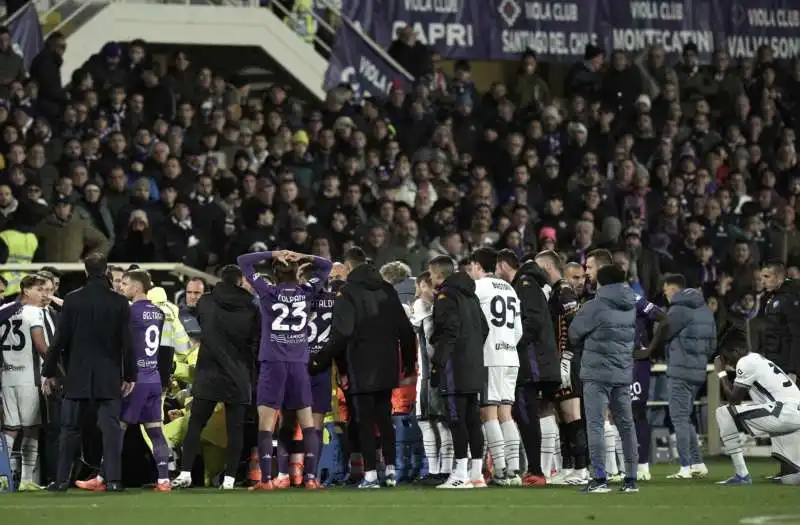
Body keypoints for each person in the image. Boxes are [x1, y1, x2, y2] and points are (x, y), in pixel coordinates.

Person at [310, 247, 416, 488]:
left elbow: (342, 333)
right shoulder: (387, 289)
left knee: (365, 421)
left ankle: (370, 475)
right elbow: (405, 330)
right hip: (388, 363)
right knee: (384, 416)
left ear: (348, 268)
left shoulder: (348, 293)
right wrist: (408, 362)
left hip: (361, 363)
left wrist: (320, 360)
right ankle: (390, 471)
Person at [238, 249, 332, 490]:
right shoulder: (306, 291)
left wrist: (274, 252)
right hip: (299, 363)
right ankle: (311, 479)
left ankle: (267, 480)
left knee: (267, 423)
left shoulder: (268, 292)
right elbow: (326, 266)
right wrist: (302, 255)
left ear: (274, 276)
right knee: (307, 422)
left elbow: (243, 261)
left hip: (273, 363)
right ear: (296, 275)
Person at [41, 253, 134, 492]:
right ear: (106, 272)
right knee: (111, 430)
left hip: (77, 375)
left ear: (85, 271)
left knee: (69, 429)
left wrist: (48, 371)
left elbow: (59, 341)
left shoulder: (72, 300)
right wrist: (130, 375)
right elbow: (127, 343)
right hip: (109, 376)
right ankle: (113, 481)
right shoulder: (119, 302)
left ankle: (61, 481)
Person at [77, 270, 175, 492]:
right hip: (153, 379)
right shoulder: (159, 312)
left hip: (136, 380)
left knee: (117, 430)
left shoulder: (130, 311)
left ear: (138, 287)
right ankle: (163, 480)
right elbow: (164, 349)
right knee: (155, 431)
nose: (121, 286)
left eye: (125, 283)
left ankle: (102, 478)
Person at [171, 265, 260, 490]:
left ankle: (185, 473)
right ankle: (229, 479)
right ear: (240, 282)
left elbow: (202, 322)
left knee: (195, 425)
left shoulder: (206, 302)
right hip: (238, 375)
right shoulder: (251, 307)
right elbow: (254, 344)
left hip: (209, 372)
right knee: (235, 430)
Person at [568, 264, 639, 493]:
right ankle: (631, 479)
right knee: (627, 425)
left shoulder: (594, 306)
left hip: (597, 374)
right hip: (622, 372)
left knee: (596, 425)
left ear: (602, 282)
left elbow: (574, 333)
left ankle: (599, 479)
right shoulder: (630, 305)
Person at [495, 249, 560, 487]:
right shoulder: (534, 282)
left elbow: (531, 321)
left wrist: (510, 343)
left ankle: (536, 470)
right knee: (537, 413)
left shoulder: (524, 283)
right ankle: (542, 468)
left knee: (526, 414)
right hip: (541, 360)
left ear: (502, 265)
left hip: (532, 363)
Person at [427, 255, 488, 488]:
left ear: (439, 273)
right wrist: (471, 350)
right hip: (474, 364)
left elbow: (448, 331)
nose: (431, 278)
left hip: (454, 366)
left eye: (431, 274)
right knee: (473, 419)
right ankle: (476, 474)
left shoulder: (446, 295)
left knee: (456, 419)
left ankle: (461, 474)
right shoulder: (470, 295)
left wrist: (438, 363)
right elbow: (484, 329)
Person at [466, 248, 523, 486]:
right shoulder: (509, 288)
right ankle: (514, 469)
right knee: (506, 414)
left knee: (488, 413)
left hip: (490, 356)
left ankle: (500, 470)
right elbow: (519, 330)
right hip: (511, 356)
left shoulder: (478, 288)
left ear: (478, 266)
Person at [534, 249, 586, 484]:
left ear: (546, 268)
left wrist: (567, 356)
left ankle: (582, 469)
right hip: (560, 361)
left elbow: (577, 325)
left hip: (567, 361)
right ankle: (568, 467)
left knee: (572, 415)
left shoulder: (564, 291)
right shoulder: (556, 291)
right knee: (563, 416)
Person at [714, 344, 800, 485]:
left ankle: (742, 475)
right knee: (791, 479)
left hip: (784, 411)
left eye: (726, 358)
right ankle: (786, 472)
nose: (728, 363)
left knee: (723, 412)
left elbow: (734, 400)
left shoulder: (745, 361)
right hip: (793, 412)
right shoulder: (758, 359)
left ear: (735, 351)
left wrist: (721, 374)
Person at [662, 273, 715, 480]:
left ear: (674, 290)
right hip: (698, 371)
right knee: (686, 417)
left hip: (679, 370)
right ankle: (698, 462)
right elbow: (712, 345)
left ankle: (684, 466)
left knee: (679, 418)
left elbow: (663, 333)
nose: (665, 295)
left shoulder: (678, 310)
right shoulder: (705, 310)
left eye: (666, 291)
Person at [1, 275, 49, 491]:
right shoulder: (34, 312)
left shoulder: (4, 310)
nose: (44, 295)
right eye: (39, 290)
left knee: (10, 429)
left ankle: (2, 477)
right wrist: (57, 369)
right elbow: (40, 344)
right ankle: (27, 480)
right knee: (31, 428)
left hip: (7, 376)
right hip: (30, 378)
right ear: (26, 291)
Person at [410, 271, 453, 486]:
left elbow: (428, 344)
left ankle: (438, 470)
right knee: (439, 423)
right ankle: (441, 470)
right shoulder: (441, 308)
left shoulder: (422, 306)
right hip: (441, 372)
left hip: (428, 374)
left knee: (430, 423)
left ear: (422, 285)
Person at [760, 261, 800, 382]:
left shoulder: (791, 298)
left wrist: (793, 370)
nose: (763, 281)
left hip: (786, 367)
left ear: (779, 278)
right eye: (761, 277)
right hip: (773, 363)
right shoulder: (772, 297)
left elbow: (797, 336)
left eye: (767, 277)